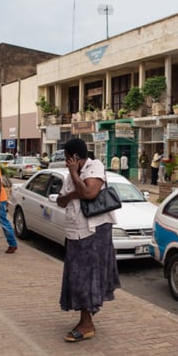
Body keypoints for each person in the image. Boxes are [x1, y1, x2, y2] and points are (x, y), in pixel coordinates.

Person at [55, 138, 120, 343]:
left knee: (87, 277)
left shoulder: (95, 166)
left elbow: (89, 193)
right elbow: (60, 200)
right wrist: (76, 188)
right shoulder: (70, 176)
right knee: (76, 277)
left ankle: (87, 323)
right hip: (75, 232)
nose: (66, 163)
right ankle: (85, 319)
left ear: (74, 157)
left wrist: (75, 177)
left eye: (67, 158)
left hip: (94, 233)